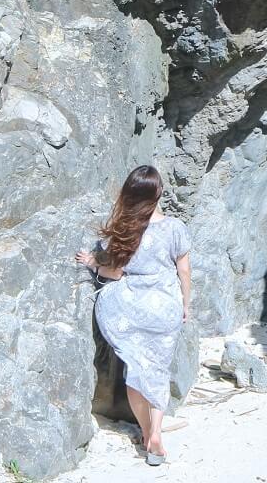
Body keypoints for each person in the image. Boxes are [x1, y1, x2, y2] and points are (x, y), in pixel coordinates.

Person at [74, 165, 193, 467]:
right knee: (158, 370)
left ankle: (146, 431)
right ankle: (156, 436)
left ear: (128, 193)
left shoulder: (124, 228)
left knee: (137, 372)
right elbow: (184, 270)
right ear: (159, 193)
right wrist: (185, 304)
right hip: (164, 308)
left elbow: (115, 272)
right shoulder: (175, 227)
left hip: (130, 308)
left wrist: (91, 264)